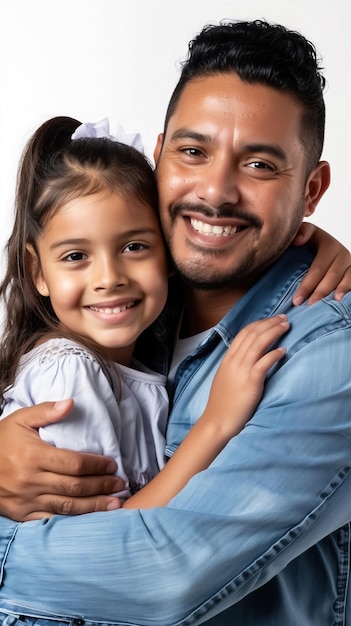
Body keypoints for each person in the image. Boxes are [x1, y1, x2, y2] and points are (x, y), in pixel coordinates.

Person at [0, 18, 351, 626]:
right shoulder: (136, 314)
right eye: (193, 152)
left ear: (312, 190)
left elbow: (163, 572)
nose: (216, 191)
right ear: (158, 158)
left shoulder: (325, 356)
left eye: (261, 166)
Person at [0, 114, 290, 511]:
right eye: (76, 256)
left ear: (169, 249)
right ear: (39, 273)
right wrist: (217, 422)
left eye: (134, 247)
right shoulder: (69, 373)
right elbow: (111, 541)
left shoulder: (137, 361)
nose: (109, 278)